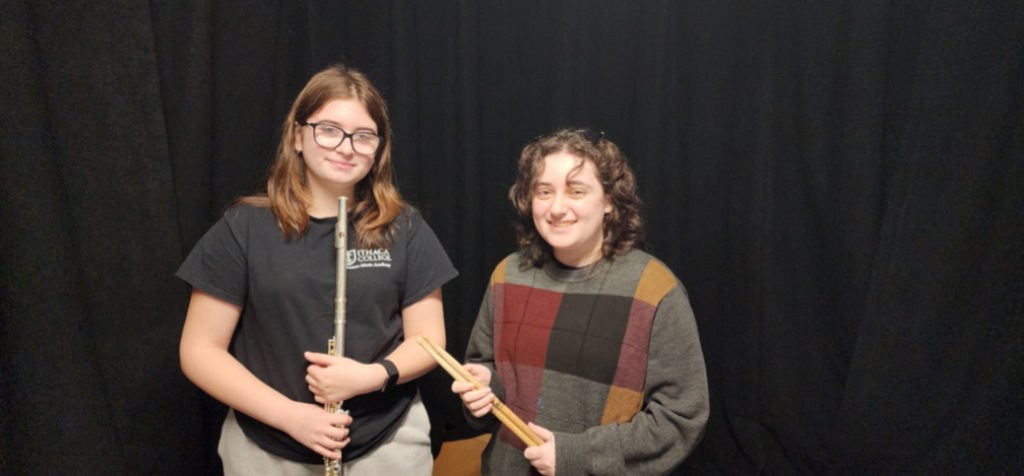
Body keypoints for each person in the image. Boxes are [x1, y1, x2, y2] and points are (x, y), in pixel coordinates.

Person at [177, 64, 458, 476]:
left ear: (378, 148)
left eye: (363, 136)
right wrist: (292, 416)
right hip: (267, 450)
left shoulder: (405, 227)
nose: (346, 147)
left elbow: (430, 339)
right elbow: (200, 351)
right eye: (329, 129)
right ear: (297, 135)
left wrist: (371, 376)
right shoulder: (244, 228)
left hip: (387, 445)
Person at [451, 129, 708, 475]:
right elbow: (486, 369)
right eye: (544, 191)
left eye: (576, 191)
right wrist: (483, 387)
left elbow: (681, 417)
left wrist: (579, 455)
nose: (557, 208)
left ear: (609, 201)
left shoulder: (655, 289)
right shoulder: (507, 274)